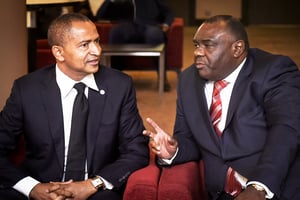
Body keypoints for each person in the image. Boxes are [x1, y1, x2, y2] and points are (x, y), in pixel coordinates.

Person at [143, 15, 300, 200]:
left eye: (208, 45)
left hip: (272, 189)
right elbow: (188, 138)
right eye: (196, 45)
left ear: (237, 48)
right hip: (220, 193)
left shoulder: (273, 70)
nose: (198, 52)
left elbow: (286, 130)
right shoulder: (188, 80)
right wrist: (174, 150)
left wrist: (259, 187)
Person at [0, 13, 149, 200]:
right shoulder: (27, 89)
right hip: (40, 184)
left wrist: (93, 183)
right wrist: (32, 188)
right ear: (58, 52)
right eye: (85, 45)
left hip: (95, 190)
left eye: (97, 41)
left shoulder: (119, 85)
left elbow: (137, 149)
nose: (97, 51)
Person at [96, 0, 174, 91]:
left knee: (155, 35)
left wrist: (166, 24)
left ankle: (162, 78)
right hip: (127, 26)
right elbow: (99, 15)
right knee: (115, 33)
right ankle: (115, 77)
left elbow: (168, 12)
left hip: (149, 25)